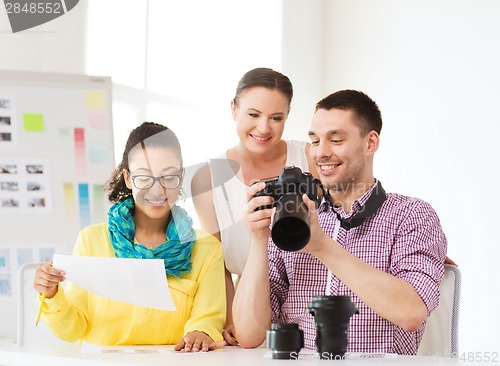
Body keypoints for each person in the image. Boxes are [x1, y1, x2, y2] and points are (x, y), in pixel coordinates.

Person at [233, 90, 447, 354]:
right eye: (314, 140)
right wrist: (258, 239)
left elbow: (411, 312)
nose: (320, 153)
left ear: (370, 143)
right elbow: (248, 335)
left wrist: (321, 245)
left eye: (335, 140)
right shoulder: (293, 216)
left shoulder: (411, 215)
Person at [34, 122, 226, 352]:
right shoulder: (92, 240)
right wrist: (52, 294)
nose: (157, 190)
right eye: (144, 177)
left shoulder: (207, 248)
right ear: (127, 177)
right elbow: (73, 329)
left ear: (181, 177)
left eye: (169, 177)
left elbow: (207, 319)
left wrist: (200, 332)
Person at [191, 67, 316, 345]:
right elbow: (217, 265)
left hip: (306, 304)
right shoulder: (207, 179)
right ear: (233, 109)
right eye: (253, 114)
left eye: (276, 118)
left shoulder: (310, 158)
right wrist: (231, 319)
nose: (263, 128)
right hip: (247, 311)